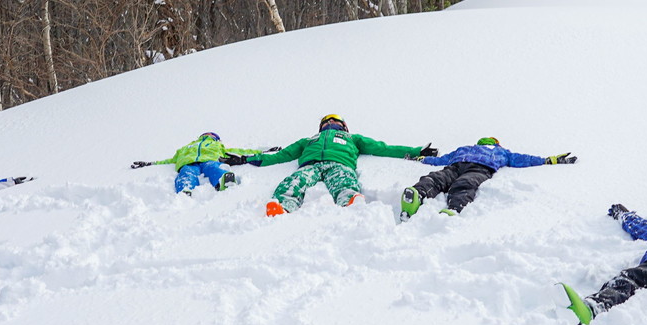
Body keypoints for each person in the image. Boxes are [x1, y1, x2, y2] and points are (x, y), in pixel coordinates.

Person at [225, 114, 433, 216]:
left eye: (334, 121)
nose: (330, 124)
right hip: (311, 165)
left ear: (344, 126)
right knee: (295, 181)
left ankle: (350, 199)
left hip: (339, 164)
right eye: (326, 122)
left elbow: (382, 148)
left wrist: (415, 152)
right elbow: (283, 155)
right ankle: (283, 205)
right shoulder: (309, 140)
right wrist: (247, 159)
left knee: (343, 181)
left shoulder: (353, 138)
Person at [399, 137, 577, 220]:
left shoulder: (466, 148)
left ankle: (421, 193)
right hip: (479, 168)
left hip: (459, 165)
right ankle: (453, 207)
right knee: (464, 184)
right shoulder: (501, 151)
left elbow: (440, 160)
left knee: (438, 178)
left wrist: (421, 159)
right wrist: (549, 160)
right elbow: (523, 159)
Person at [129, 132, 269, 195]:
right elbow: (171, 160)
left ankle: (224, 180)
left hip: (209, 160)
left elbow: (237, 151)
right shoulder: (186, 147)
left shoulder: (217, 146)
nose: (208, 137)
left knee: (213, 167)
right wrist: (149, 163)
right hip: (189, 162)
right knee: (187, 172)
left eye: (211, 136)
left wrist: (263, 151)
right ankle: (185, 188)